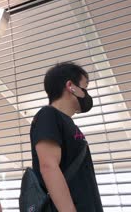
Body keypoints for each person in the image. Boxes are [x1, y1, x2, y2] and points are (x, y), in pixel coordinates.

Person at [30, 62, 103, 211]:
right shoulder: (48, 114)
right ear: (71, 86)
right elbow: (48, 166)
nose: (86, 94)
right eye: (85, 88)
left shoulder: (68, 123)